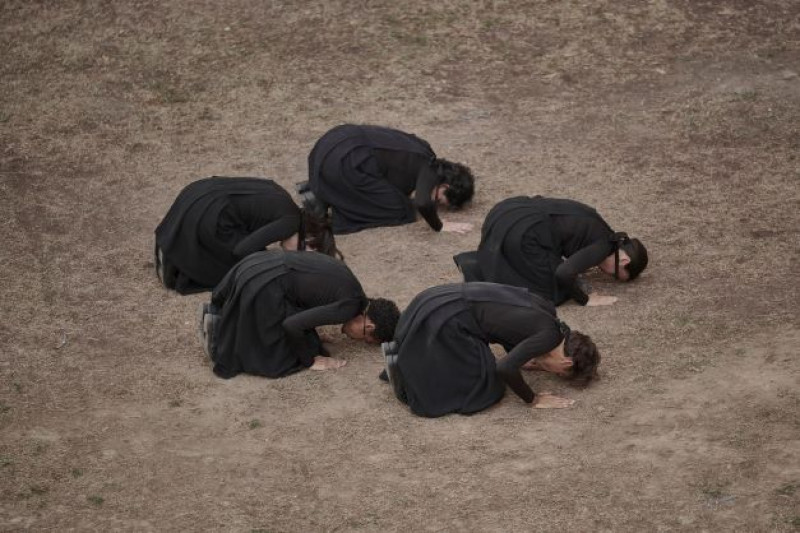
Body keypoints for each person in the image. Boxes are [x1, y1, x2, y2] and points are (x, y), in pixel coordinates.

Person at [380, 282, 600, 418]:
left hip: (437, 298)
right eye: (559, 373)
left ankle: (403, 355)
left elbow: (507, 324)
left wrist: (521, 358)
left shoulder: (549, 315)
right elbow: (505, 367)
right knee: (486, 388)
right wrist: (532, 399)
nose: (551, 373)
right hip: (447, 320)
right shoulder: (549, 337)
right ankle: (404, 374)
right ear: (566, 363)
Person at [198, 249, 400, 379]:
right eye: (364, 338)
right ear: (369, 326)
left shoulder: (354, 289)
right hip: (264, 283)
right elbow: (291, 325)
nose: (352, 338)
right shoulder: (350, 306)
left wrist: (313, 334)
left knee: (308, 338)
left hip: (257, 262)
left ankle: (218, 315)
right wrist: (312, 360)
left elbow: (305, 300)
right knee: (283, 353)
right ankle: (217, 331)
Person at [154, 176, 340, 294]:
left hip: (196, 192)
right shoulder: (290, 222)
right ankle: (176, 269)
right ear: (308, 238)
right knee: (242, 271)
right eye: (303, 252)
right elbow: (242, 250)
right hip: (211, 215)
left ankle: (172, 254)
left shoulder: (282, 199)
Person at [454, 196, 648, 306]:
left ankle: (478, 263)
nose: (606, 275)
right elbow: (564, 273)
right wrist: (586, 298)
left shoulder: (599, 227)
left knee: (531, 265)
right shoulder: (605, 245)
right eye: (616, 275)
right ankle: (475, 268)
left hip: (504, 212)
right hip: (524, 232)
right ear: (623, 261)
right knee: (550, 291)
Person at [299, 124, 475, 235]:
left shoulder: (422, 148)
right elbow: (422, 202)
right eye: (438, 199)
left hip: (329, 144)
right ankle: (323, 200)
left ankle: (320, 194)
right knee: (402, 208)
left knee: (388, 194)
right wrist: (440, 225)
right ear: (445, 184)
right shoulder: (430, 169)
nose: (434, 201)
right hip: (344, 163)